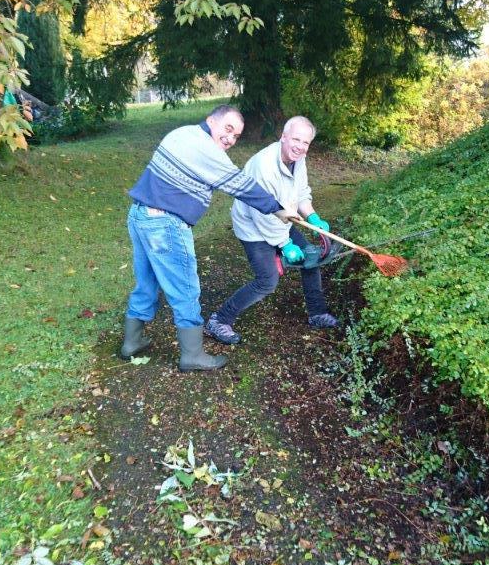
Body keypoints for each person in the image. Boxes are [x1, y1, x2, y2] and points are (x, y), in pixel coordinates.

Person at [121, 105, 293, 372]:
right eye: (228, 128)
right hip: (165, 224)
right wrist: (277, 208)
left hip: (140, 216)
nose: (231, 138)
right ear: (211, 120)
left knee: (147, 282)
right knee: (186, 290)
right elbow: (240, 185)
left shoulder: (183, 133)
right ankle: (192, 355)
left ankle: (132, 342)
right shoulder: (205, 148)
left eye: (236, 135)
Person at [205, 115, 338, 345]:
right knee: (267, 280)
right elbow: (261, 213)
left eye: (306, 142)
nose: (300, 146)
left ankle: (317, 313)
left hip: (283, 219)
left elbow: (301, 192)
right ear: (283, 137)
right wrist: (285, 245)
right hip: (253, 225)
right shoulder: (264, 166)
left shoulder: (298, 159)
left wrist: (313, 217)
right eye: (296, 139)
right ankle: (219, 320)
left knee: (310, 258)